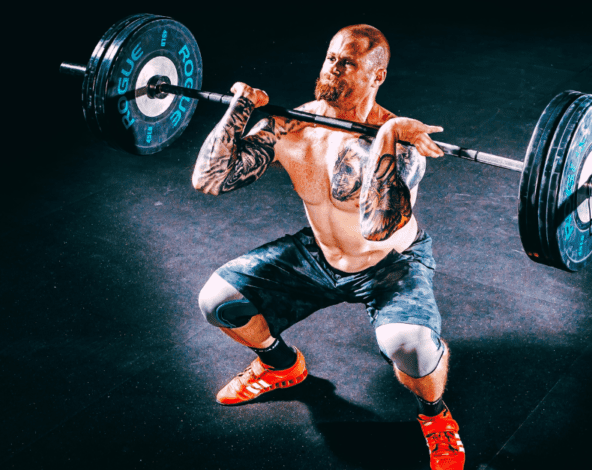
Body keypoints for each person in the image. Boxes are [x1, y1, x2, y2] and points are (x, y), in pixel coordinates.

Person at [192, 24, 465, 470]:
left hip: (389, 263)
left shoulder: (401, 140)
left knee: (410, 345)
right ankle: (281, 366)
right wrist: (240, 108)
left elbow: (377, 227)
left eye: (349, 62)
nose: (333, 68)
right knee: (218, 301)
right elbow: (210, 179)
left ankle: (435, 417)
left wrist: (388, 139)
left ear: (376, 76)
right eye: (331, 57)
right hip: (318, 254)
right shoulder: (291, 125)